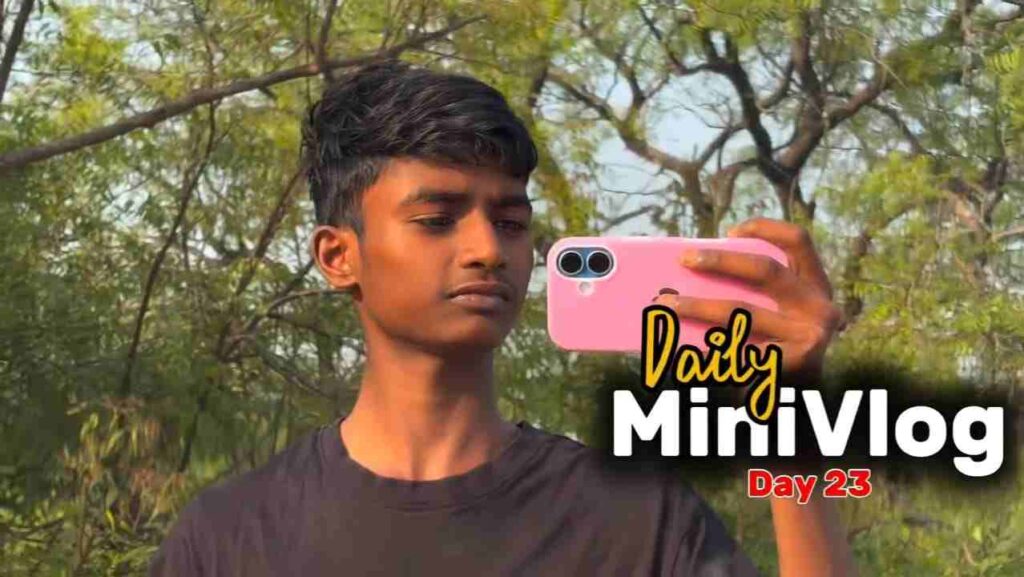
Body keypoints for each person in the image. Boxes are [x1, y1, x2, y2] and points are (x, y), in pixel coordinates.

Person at [149, 60, 855, 576]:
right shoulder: (229, 537)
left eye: (510, 222)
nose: (488, 249)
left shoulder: (637, 517)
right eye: (437, 219)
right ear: (339, 256)